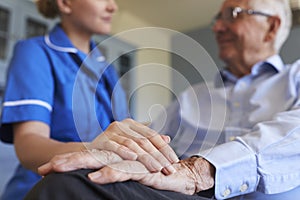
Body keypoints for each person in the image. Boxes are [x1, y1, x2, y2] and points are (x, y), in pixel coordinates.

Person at [24, 0, 300, 199]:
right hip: (187, 197)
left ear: (271, 26)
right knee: (70, 184)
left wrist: (199, 171)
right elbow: (150, 141)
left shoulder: (295, 77)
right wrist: (125, 150)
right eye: (218, 19)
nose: (217, 27)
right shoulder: (192, 98)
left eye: (233, 14)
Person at [0, 0, 180, 199]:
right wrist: (92, 150)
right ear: (65, 3)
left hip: (97, 187)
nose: (113, 7)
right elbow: (28, 146)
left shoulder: (108, 70)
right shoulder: (35, 52)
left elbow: (122, 129)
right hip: (45, 189)